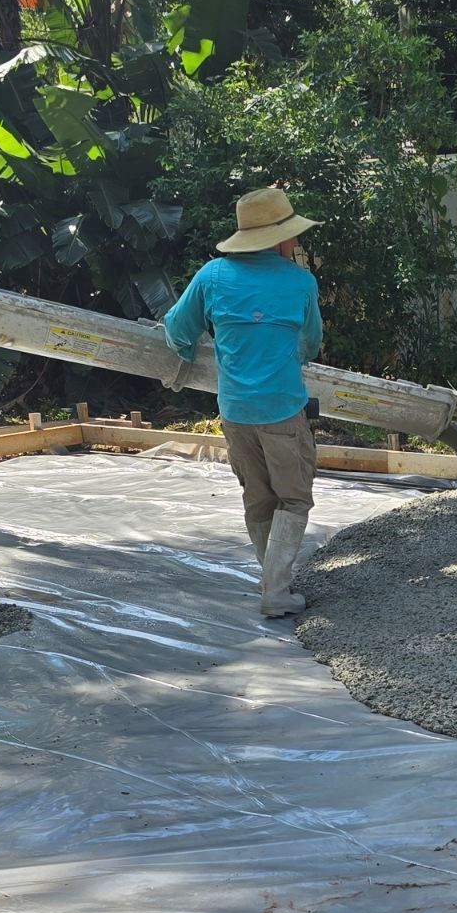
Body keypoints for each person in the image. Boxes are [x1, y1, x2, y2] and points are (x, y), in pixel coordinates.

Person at [163, 186, 323, 618]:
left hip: (234, 411)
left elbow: (177, 329)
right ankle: (275, 591)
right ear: (279, 239)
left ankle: (271, 580)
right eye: (292, 234)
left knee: (257, 497)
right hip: (283, 408)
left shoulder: (212, 276)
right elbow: (311, 343)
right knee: (294, 498)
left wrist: (188, 352)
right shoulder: (300, 281)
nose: (296, 241)